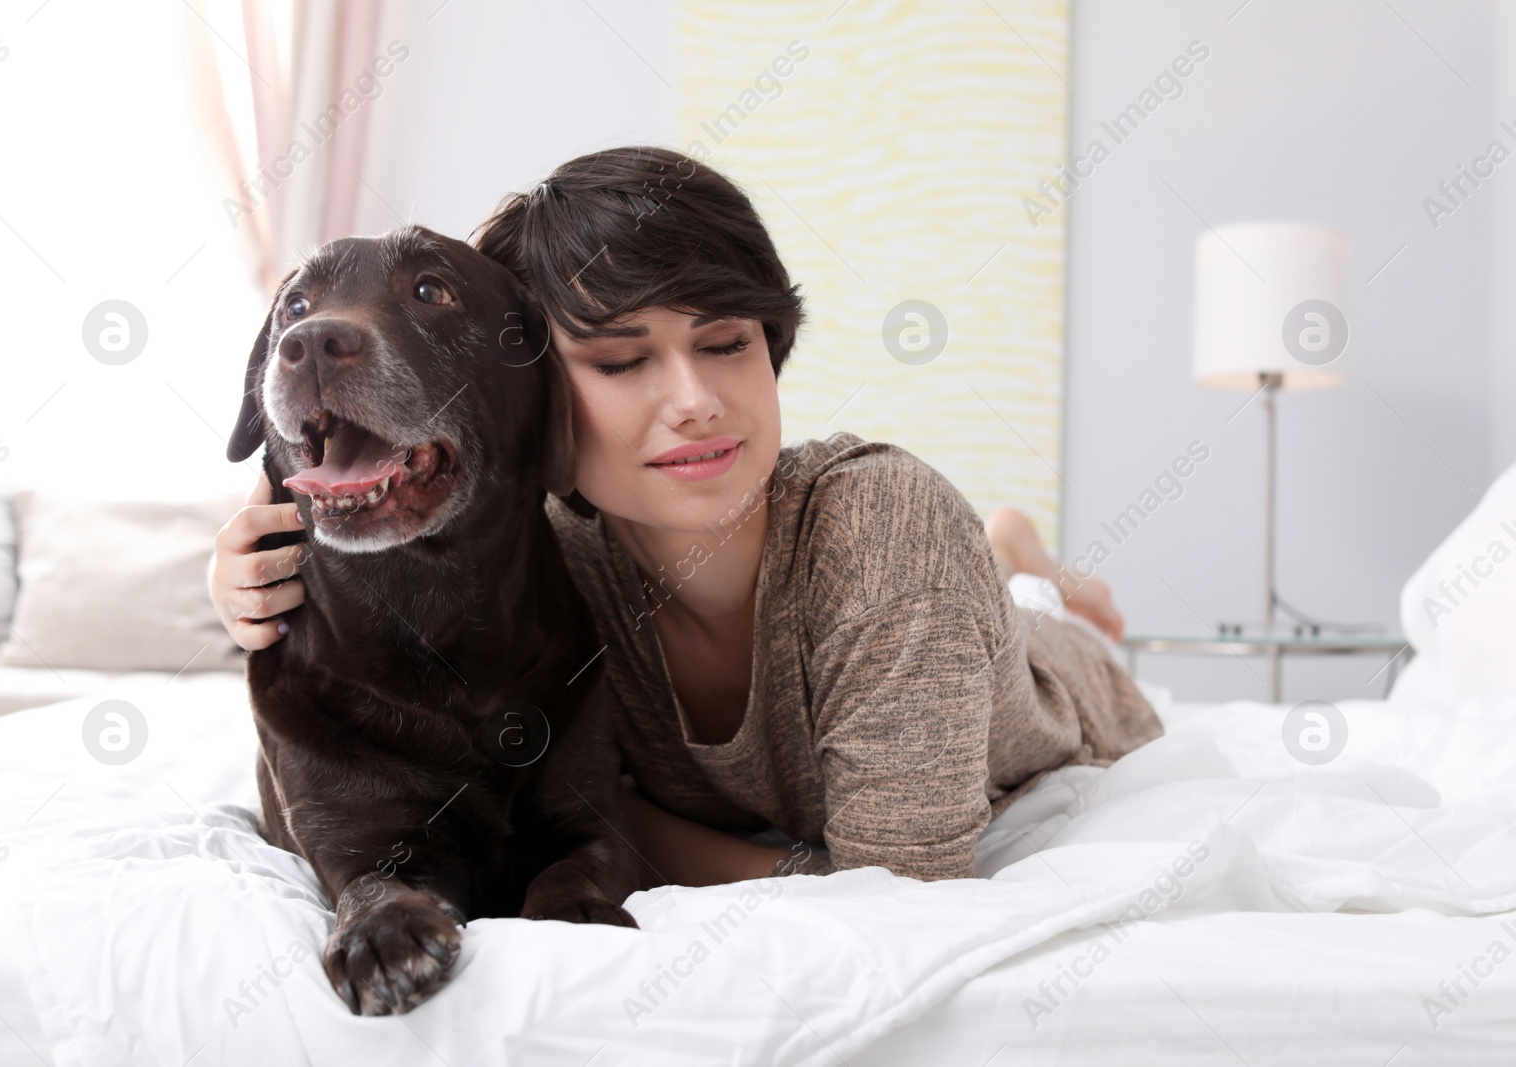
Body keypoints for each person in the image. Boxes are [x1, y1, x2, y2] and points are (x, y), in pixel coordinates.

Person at [209, 146, 1162, 889]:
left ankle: (1016, 565)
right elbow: (391, 454)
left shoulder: (886, 529)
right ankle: (1006, 552)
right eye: (621, 362)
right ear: (531, 393)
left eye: (727, 343)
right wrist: (241, 565)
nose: (697, 401)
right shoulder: (541, 554)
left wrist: (619, 829)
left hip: (1042, 686)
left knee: (1028, 615)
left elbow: (898, 891)